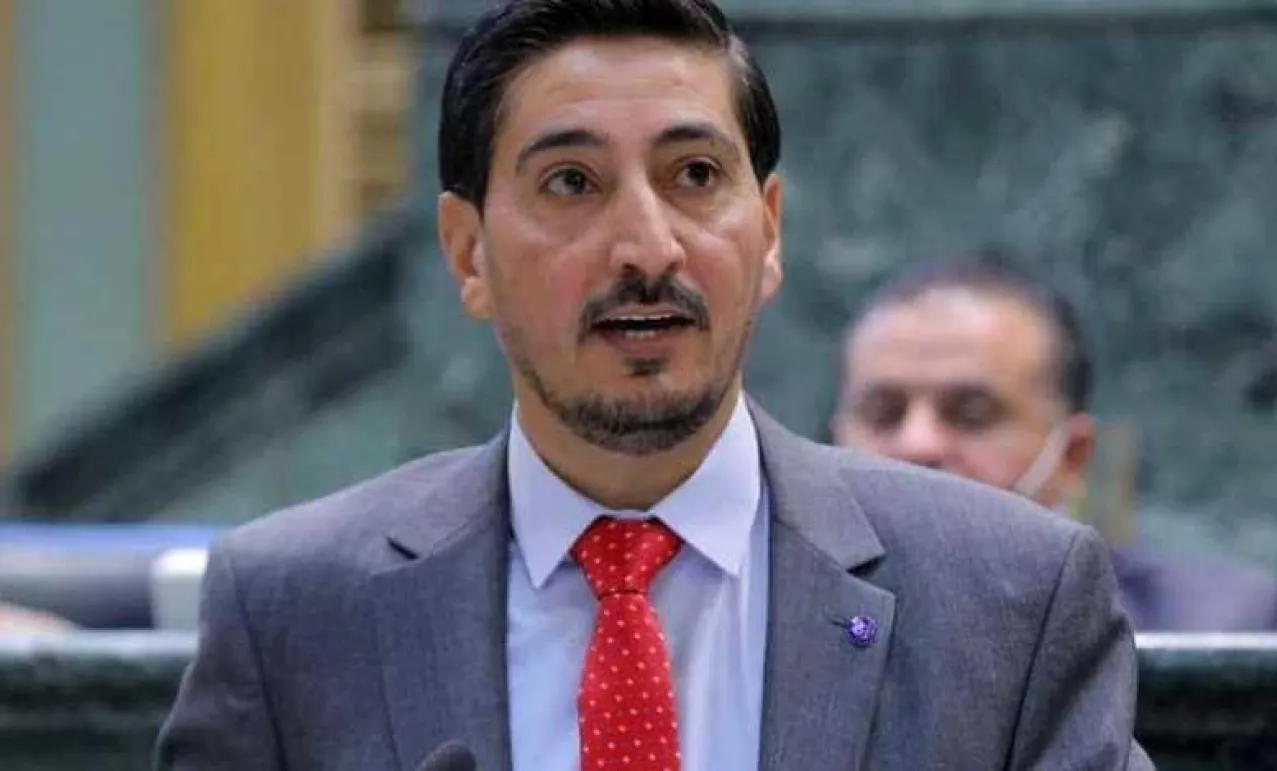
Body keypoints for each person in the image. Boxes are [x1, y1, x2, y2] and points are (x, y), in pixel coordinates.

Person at [157, 2, 1153, 769]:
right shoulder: (293, 609)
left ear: (769, 231)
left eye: (694, 176)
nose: (646, 246)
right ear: (467, 253)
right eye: (571, 183)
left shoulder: (1006, 598)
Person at [832, 251, 1277, 632]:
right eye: (882, 413)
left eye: (970, 415)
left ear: (1071, 457)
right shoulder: (790, 614)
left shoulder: (1217, 630)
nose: (917, 444)